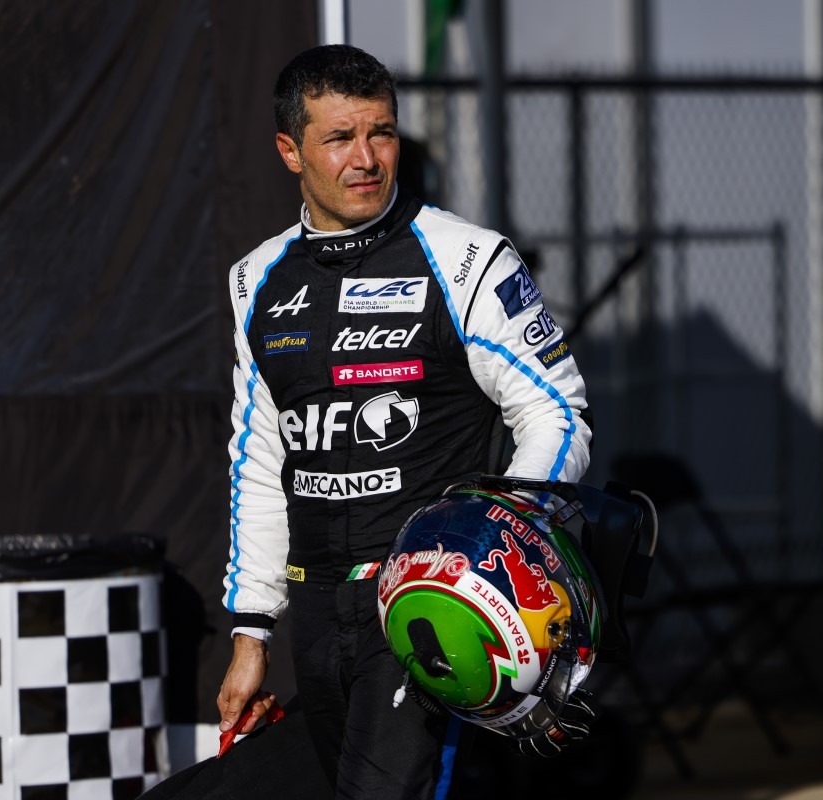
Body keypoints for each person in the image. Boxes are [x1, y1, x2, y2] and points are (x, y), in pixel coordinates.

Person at [216, 43, 593, 800]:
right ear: (290, 151)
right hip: (314, 611)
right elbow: (259, 458)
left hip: (425, 608)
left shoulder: (469, 260)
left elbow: (556, 413)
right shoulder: (256, 278)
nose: (366, 159)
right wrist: (252, 630)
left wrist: (496, 545)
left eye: (381, 133)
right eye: (339, 138)